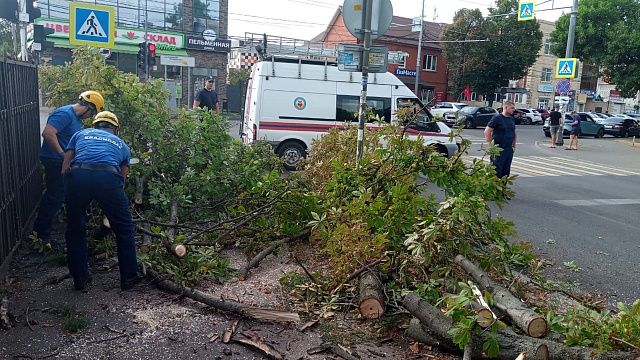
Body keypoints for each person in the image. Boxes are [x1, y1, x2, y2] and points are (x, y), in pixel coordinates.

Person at [61, 111, 140, 291]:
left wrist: (71, 190)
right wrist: (112, 201)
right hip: (108, 177)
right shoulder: (122, 145)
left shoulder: (79, 134)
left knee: (75, 228)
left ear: (95, 125)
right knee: (124, 228)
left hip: (78, 175)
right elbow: (122, 178)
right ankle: (129, 277)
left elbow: (65, 166)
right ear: (115, 129)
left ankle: (79, 277)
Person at [33, 90, 105, 245]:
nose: (89, 117)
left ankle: (47, 230)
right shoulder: (64, 114)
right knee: (55, 196)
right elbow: (48, 133)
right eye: (91, 114)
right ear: (89, 107)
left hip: (62, 160)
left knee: (62, 194)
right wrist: (61, 154)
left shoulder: (75, 118)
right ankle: (41, 234)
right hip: (54, 160)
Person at [484, 100, 517, 179]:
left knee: (506, 172)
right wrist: (491, 146)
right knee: (496, 172)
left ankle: (503, 189)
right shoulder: (497, 118)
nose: (514, 110)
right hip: (498, 149)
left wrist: (513, 146)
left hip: (508, 149)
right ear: (506, 107)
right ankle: (495, 190)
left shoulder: (511, 119)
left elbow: (514, 133)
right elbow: (487, 131)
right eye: (512, 108)